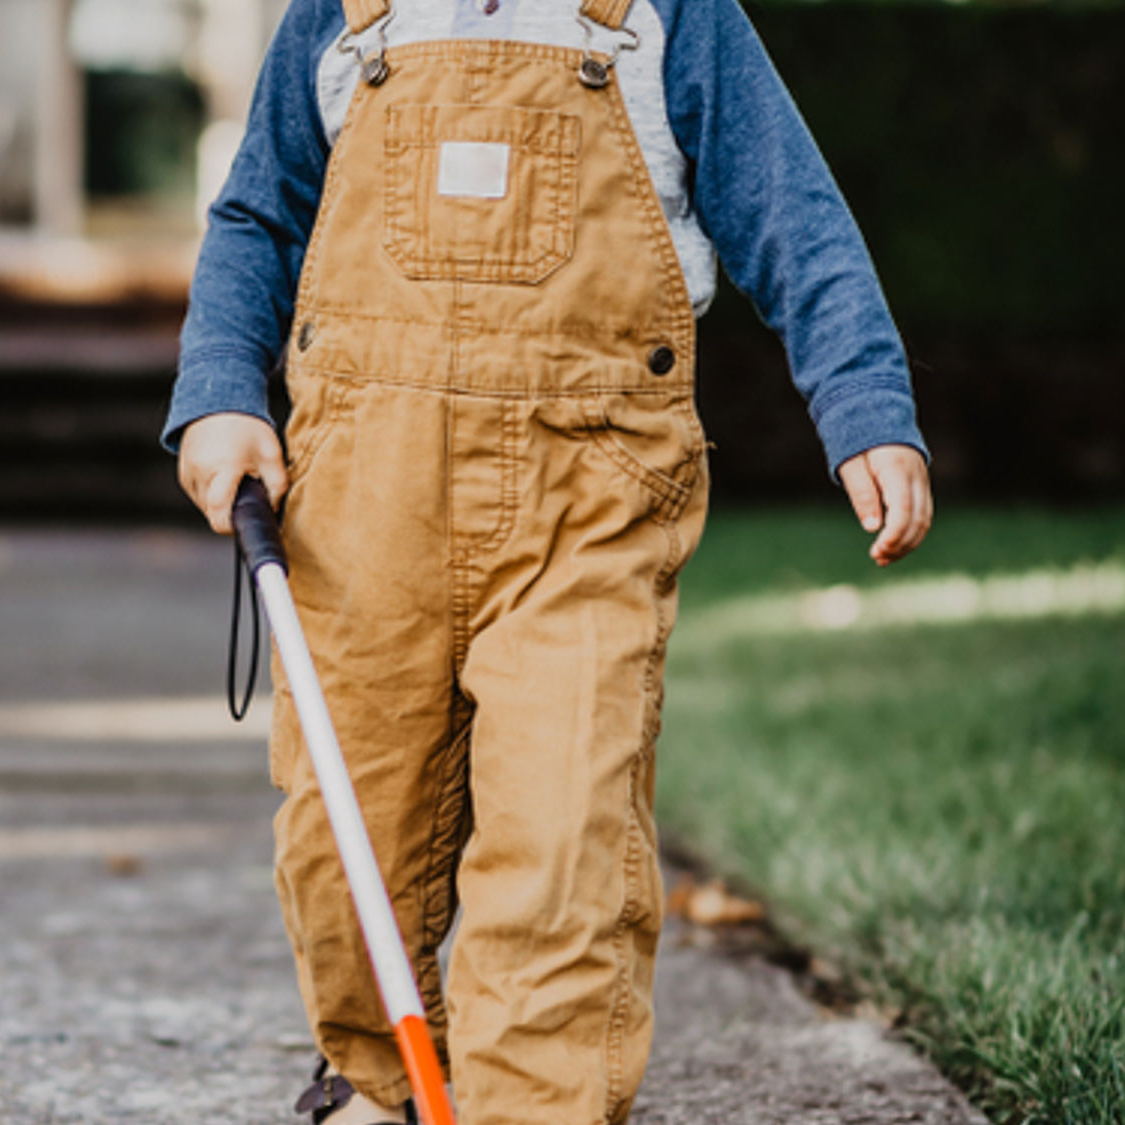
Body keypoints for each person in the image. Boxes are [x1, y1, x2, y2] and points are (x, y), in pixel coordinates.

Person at [163, 0, 933, 1120]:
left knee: (562, 841)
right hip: (362, 509)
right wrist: (221, 390)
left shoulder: (666, 16)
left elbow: (791, 212)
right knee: (343, 841)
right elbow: (257, 214)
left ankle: (533, 1106)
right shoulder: (342, 13)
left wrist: (863, 402)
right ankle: (380, 1082)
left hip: (588, 500)